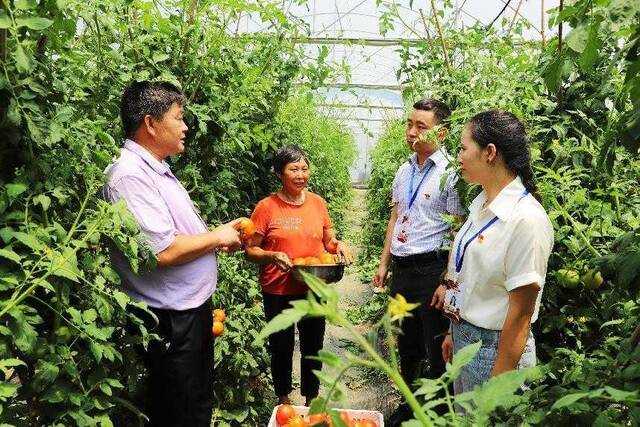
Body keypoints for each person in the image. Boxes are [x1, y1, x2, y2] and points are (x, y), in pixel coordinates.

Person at [103, 81, 242, 427]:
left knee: (193, 402)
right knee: (178, 411)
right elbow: (161, 252)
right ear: (150, 123)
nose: (185, 127)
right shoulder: (129, 176)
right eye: (179, 118)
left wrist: (215, 237)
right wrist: (215, 238)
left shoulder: (155, 170)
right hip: (167, 320)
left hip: (186, 312)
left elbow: (173, 234)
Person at [432, 110, 554, 401]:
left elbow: (521, 316)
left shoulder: (526, 219)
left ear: (489, 152)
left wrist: (496, 389)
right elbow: (466, 276)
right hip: (467, 339)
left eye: (463, 148)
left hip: (497, 352)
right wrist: (454, 330)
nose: (457, 156)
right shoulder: (482, 203)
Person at [373, 99, 465, 423]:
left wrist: (446, 280)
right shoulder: (404, 169)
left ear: (442, 131)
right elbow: (396, 216)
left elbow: (457, 229)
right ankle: (409, 404)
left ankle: (438, 413)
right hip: (402, 273)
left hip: (430, 273)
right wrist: (384, 262)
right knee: (405, 339)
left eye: (420, 126)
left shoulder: (451, 174)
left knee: (435, 344)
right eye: (409, 124)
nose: (411, 132)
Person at [245, 144, 353, 406]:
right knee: (281, 348)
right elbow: (250, 249)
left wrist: (339, 246)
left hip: (314, 287)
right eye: (293, 169)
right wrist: (271, 256)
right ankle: (283, 399)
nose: (301, 174)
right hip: (278, 289)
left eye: (304, 168)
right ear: (279, 173)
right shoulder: (266, 207)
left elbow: (328, 241)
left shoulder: (317, 203)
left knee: (312, 348)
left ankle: (310, 400)